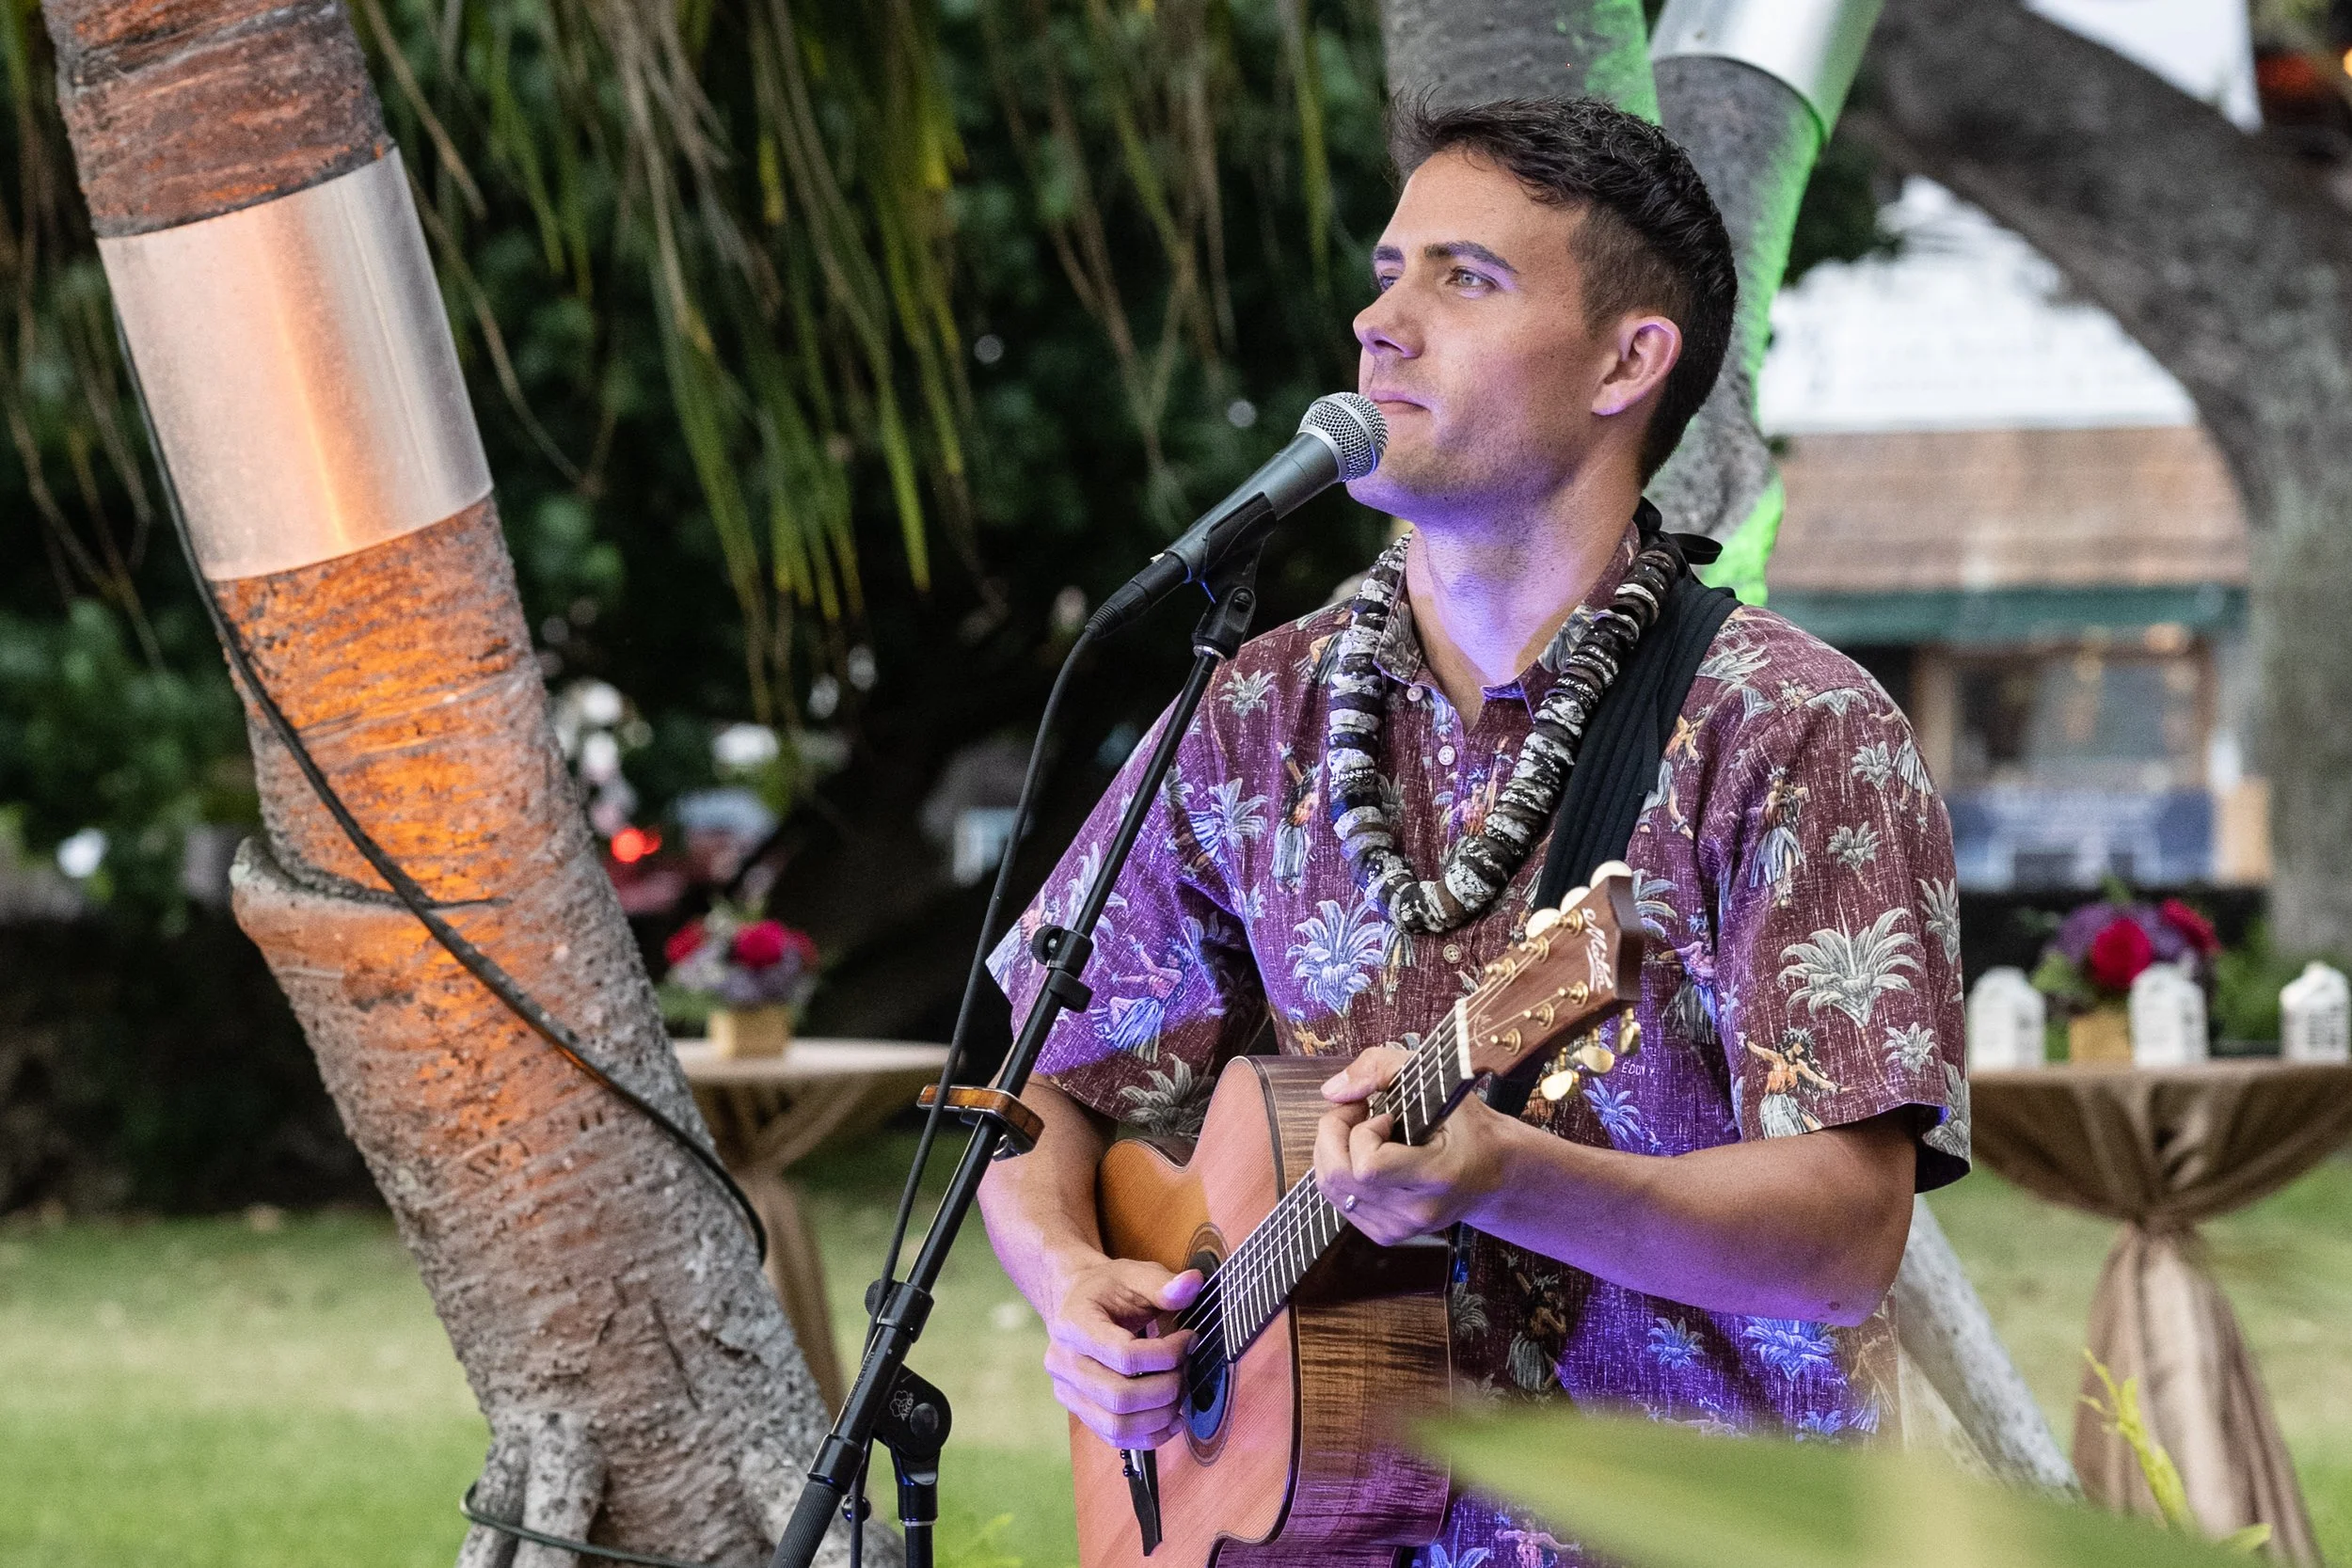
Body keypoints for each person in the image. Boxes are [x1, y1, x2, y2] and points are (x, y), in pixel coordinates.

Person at [977, 95, 1968, 1563]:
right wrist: (1073, 1284)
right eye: (1387, 270)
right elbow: (1025, 1088)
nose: (1382, 320)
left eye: (1465, 277)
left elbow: (1842, 1237)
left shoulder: (1792, 731)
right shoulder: (1256, 712)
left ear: (1629, 362)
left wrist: (1510, 1172)